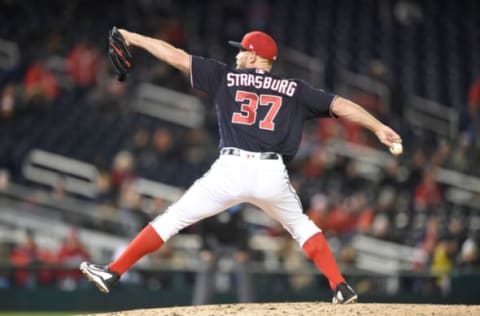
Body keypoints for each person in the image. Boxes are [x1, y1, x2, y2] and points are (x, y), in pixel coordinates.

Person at [80, 29, 402, 304]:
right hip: (271, 173)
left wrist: (132, 37)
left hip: (231, 168)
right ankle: (339, 286)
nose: (236, 56)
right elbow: (341, 105)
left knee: (173, 219)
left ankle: (113, 272)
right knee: (302, 228)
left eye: (241, 52)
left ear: (252, 56)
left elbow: (176, 56)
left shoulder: (225, 76)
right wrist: (378, 127)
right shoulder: (296, 89)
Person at [192, 204, 253, 305]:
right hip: (215, 245)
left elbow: (243, 230)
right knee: (205, 267)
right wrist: (205, 249)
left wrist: (243, 249)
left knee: (243, 267)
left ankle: (247, 304)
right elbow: (202, 230)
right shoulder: (209, 208)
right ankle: (199, 305)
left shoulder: (236, 208)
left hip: (234, 245)